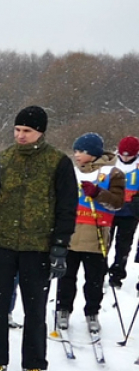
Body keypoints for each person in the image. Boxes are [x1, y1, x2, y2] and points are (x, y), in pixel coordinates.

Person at [0, 106, 77, 371]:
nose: (20, 135)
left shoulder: (58, 162)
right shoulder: (3, 160)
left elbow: (67, 207)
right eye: (17, 130)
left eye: (27, 130)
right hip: (2, 244)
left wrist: (60, 247)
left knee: (35, 308)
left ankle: (34, 365)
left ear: (40, 131)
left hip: (38, 247)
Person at [54, 133, 123, 335]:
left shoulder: (113, 173)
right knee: (66, 276)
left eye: (81, 151)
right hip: (71, 234)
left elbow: (117, 203)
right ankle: (63, 309)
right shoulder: (71, 172)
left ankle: (92, 312)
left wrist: (97, 193)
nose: (76, 155)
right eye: (75, 150)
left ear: (92, 153)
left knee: (94, 278)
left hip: (97, 235)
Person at [107, 136, 139, 288]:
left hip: (130, 213)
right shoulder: (111, 163)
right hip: (110, 211)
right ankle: (100, 272)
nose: (125, 158)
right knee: (105, 243)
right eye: (123, 155)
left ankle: (117, 274)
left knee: (124, 246)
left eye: (129, 155)